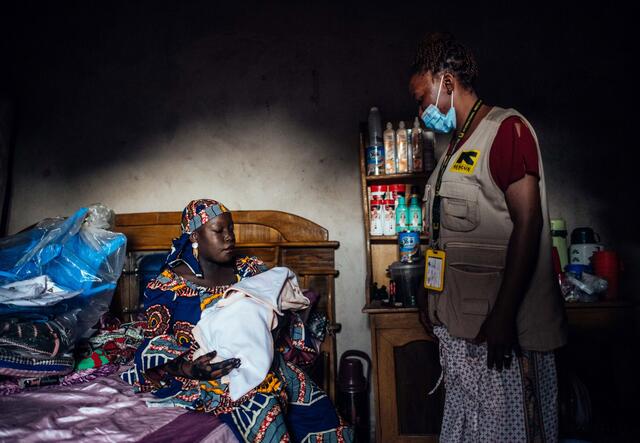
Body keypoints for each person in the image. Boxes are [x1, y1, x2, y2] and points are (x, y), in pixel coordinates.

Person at [409, 33, 567, 442]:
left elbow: (528, 224)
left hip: (498, 330)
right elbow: (443, 238)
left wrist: (503, 315)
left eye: (422, 98)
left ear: (447, 82)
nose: (421, 110)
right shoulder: (453, 148)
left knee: (511, 431)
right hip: (461, 326)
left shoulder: (506, 131)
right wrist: (431, 295)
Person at [121, 199, 352, 443]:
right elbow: (154, 343)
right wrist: (191, 369)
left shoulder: (251, 270)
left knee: (314, 409)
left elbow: (281, 311)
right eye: (218, 231)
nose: (229, 237)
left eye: (230, 229)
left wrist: (267, 324)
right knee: (261, 404)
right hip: (203, 374)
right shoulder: (168, 286)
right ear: (195, 237)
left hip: (263, 360)